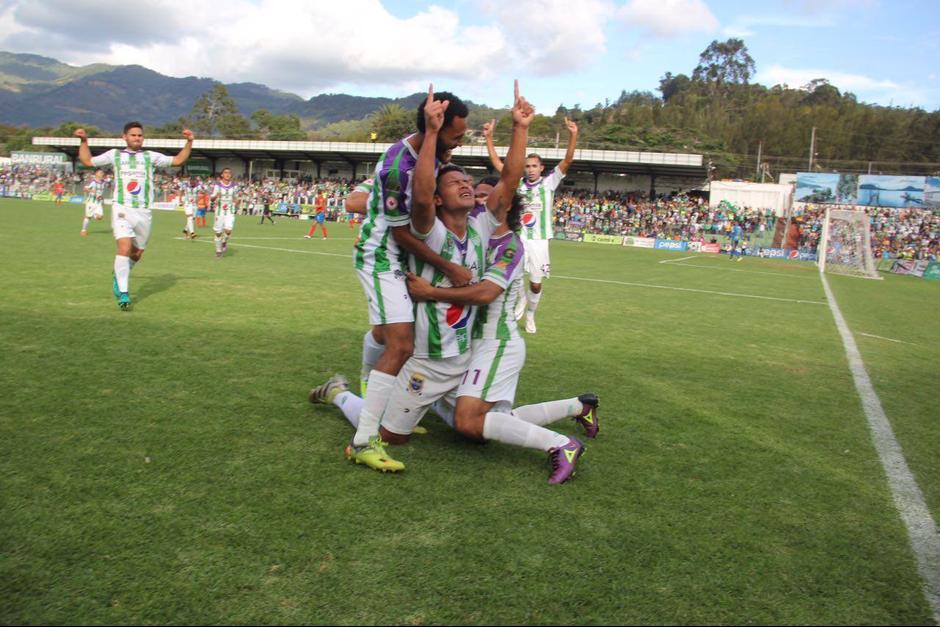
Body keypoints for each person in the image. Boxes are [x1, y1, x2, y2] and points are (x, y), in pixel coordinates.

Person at [344, 85, 472, 468]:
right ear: (434, 127)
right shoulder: (402, 166)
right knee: (399, 345)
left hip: (400, 253)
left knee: (392, 338)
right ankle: (364, 442)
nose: (460, 143)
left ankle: (379, 405)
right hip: (382, 255)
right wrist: (450, 268)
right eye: (456, 136)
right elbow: (400, 232)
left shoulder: (431, 153)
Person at [75, 122, 193, 310]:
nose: (137, 138)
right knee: (124, 247)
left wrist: (189, 142)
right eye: (133, 135)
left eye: (140, 135)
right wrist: (83, 141)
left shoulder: (150, 157)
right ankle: (123, 292)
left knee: (137, 254)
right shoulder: (114, 155)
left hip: (144, 211)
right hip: (122, 208)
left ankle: (119, 274)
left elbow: (177, 161)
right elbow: (88, 161)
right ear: (124, 137)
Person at [484, 116, 579, 334]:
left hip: (539, 240)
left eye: (534, 166)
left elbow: (567, 161)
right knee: (513, 275)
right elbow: (499, 164)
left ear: (541, 167)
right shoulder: (517, 184)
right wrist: (489, 138)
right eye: (527, 166)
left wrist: (573, 135)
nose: (530, 169)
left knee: (535, 284)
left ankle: (530, 315)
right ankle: (520, 301)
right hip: (519, 238)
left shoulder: (549, 183)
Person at [210, 168, 238, 258]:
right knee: (218, 233)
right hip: (219, 211)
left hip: (230, 211)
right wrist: (215, 196)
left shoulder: (234, 185)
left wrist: (237, 201)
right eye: (225, 173)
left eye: (229, 173)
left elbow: (236, 197)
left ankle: (224, 241)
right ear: (222, 175)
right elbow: (212, 198)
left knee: (228, 230)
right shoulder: (217, 185)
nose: (227, 174)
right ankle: (218, 251)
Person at [80, 169, 106, 236]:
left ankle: (94, 214)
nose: (102, 173)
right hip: (91, 202)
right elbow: (84, 189)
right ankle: (83, 230)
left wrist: (102, 201)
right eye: (100, 172)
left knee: (100, 217)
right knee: (88, 217)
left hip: (99, 202)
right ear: (96, 174)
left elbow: (100, 193)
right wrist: (92, 191)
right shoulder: (92, 181)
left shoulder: (103, 182)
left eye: (102, 172)